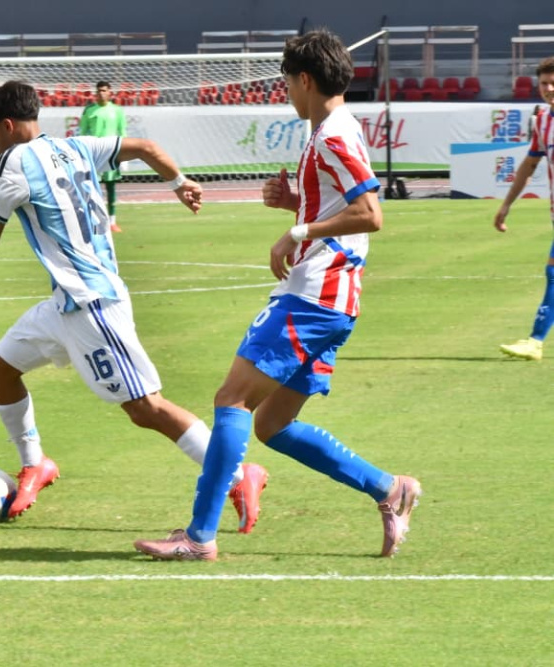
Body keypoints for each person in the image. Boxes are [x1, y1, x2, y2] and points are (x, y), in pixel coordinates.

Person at [134, 30, 421, 562]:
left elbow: (370, 214)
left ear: (305, 79)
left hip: (315, 295)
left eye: (288, 81)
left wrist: (298, 231)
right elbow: (344, 206)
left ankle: (199, 537)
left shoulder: (333, 135)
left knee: (231, 400)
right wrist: (297, 203)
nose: (286, 91)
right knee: (271, 424)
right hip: (334, 300)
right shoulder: (333, 130)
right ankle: (389, 489)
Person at [0, 80, 269, 528]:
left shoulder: (14, 165)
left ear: (7, 125)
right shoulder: (76, 147)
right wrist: (179, 182)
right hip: (65, 304)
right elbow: (147, 147)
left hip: (93, 304)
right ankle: (36, 462)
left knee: (145, 408)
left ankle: (234, 473)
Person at [493, 56, 554, 362]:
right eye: (544, 83)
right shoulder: (543, 121)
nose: (549, 88)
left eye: (553, 82)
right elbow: (529, 166)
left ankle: (535, 341)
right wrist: (506, 205)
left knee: (553, 272)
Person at [78, 80, 126, 233]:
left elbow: (122, 132)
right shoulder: (89, 110)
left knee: (111, 187)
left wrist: (123, 157)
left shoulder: (117, 111)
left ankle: (112, 221)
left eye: (104, 90)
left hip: (111, 153)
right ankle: (94, 220)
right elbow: (83, 132)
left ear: (109, 92)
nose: (101, 93)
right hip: (94, 154)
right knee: (92, 189)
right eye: (99, 91)